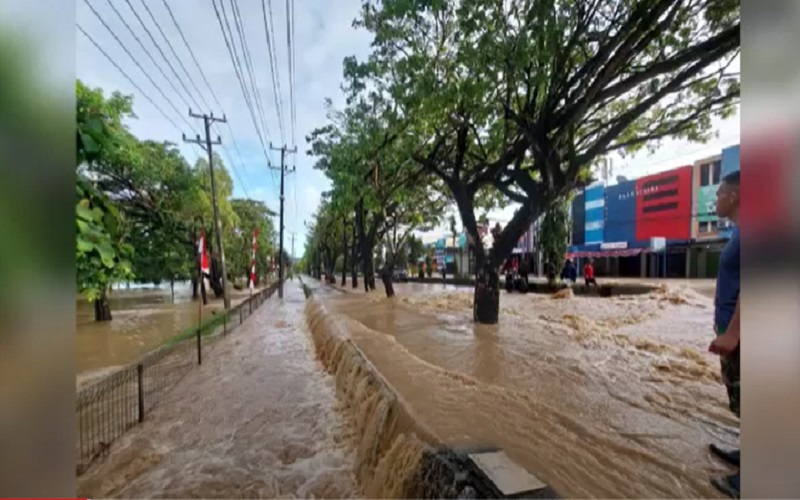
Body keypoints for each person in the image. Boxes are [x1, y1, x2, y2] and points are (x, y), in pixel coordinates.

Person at [707, 171, 740, 498]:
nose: (715, 200)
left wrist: (733, 332)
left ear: (734, 196)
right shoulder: (740, 233)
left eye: (718, 193)